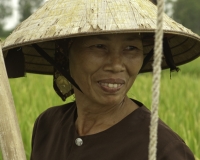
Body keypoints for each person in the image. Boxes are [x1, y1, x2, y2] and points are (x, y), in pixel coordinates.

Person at [2, 0, 200, 159]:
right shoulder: (48, 125)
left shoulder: (165, 150)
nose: (116, 64)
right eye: (99, 46)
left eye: (131, 48)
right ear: (64, 54)